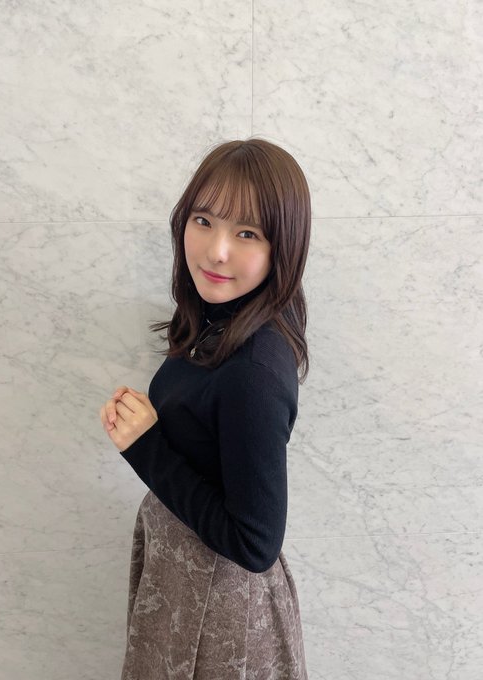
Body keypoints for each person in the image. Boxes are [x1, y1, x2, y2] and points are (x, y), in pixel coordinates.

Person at [99, 137, 311, 679]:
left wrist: (146, 447)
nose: (217, 251)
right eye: (203, 221)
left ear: (282, 247)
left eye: (247, 233)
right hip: (189, 584)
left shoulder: (254, 370)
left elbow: (254, 543)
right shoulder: (224, 315)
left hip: (216, 609)